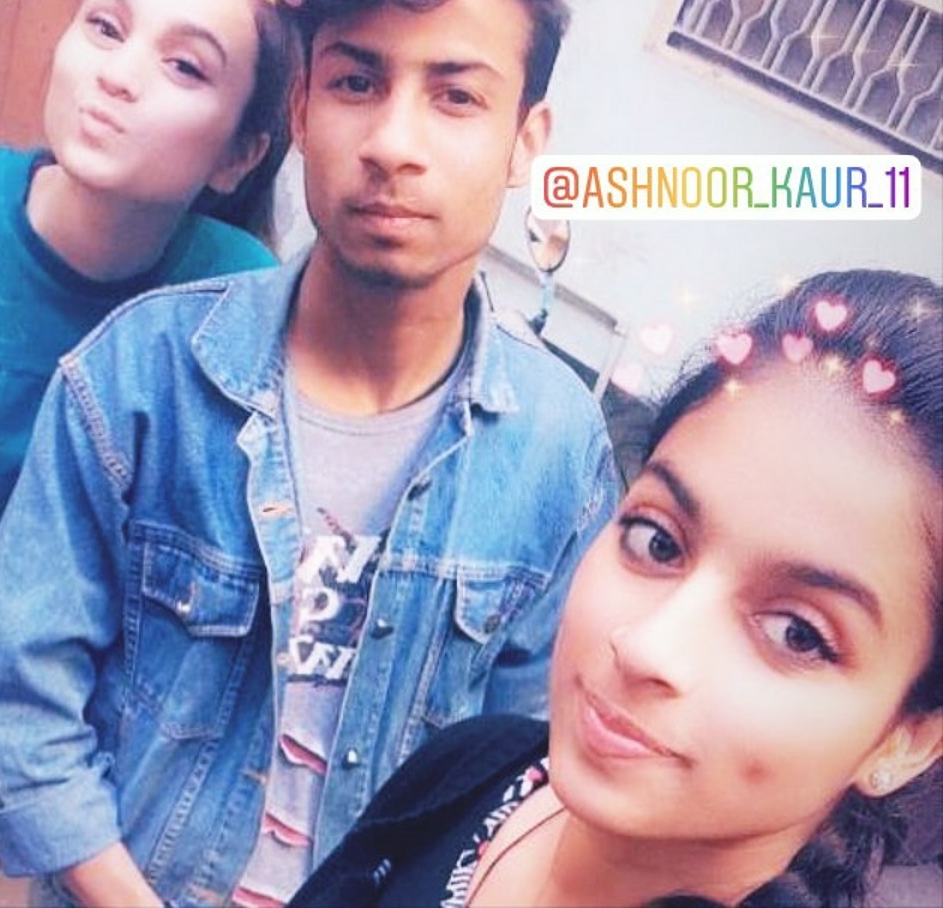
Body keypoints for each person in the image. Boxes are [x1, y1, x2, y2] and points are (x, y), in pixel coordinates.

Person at [0, 0, 617, 908]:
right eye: (357, 82)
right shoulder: (142, 376)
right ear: (300, 106)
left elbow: (531, 780)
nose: (394, 144)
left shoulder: (558, 456)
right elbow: (10, 692)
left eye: (455, 96)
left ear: (526, 140)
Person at [0, 0, 295, 908]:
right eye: (105, 26)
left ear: (239, 154)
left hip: (99, 748)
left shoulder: (239, 307)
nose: (120, 75)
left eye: (184, 66)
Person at [289, 267, 943, 908]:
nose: (645, 647)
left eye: (796, 634)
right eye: (658, 541)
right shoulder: (473, 764)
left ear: (909, 738)